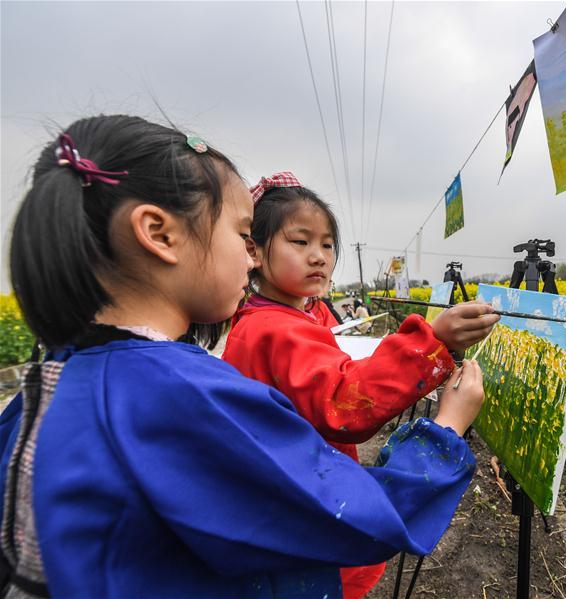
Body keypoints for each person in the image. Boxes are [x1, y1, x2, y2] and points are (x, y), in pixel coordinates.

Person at [1, 116, 486, 599]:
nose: (251, 259)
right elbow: (351, 514)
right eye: (241, 236)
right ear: (159, 234)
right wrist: (445, 431)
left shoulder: (46, 389)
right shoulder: (185, 397)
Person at [222, 173, 499, 598]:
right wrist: (431, 341)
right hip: (307, 517)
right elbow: (343, 401)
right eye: (300, 242)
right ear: (254, 251)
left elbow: (327, 370)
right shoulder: (275, 329)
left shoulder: (282, 316)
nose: (318, 257)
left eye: (327, 245)